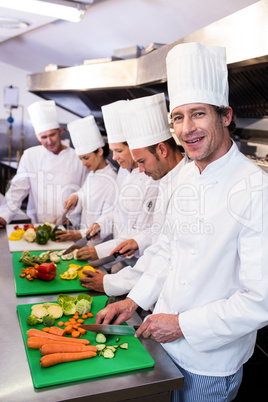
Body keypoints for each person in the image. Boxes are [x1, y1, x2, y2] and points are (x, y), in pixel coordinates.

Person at [95, 42, 268, 402]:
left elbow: (260, 300)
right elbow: (168, 250)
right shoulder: (185, 177)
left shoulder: (256, 188)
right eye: (178, 117)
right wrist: (133, 300)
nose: (187, 128)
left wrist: (182, 325)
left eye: (198, 114)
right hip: (163, 343)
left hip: (209, 360)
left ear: (225, 116)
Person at [80, 92, 186, 294]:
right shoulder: (160, 177)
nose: (141, 170)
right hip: (141, 272)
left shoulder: (185, 182)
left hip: (162, 286)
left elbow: (165, 251)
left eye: (142, 162)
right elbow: (157, 239)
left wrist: (114, 281)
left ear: (162, 150)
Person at [75, 99, 159, 274]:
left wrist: (99, 251)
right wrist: (101, 225)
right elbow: (118, 210)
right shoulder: (124, 171)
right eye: (113, 151)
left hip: (143, 265)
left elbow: (146, 231)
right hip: (121, 259)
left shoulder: (154, 176)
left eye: (119, 151)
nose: (114, 157)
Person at [0, 100, 87, 228]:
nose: (49, 141)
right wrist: (3, 216)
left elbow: (86, 192)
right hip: (38, 227)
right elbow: (17, 191)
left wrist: (70, 217)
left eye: (52, 135)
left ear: (60, 131)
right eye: (43, 137)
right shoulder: (30, 156)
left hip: (69, 228)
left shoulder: (78, 157)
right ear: (37, 136)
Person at [54, 115, 117, 244]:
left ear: (99, 151)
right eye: (80, 159)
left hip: (100, 246)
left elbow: (109, 218)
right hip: (86, 243)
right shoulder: (94, 173)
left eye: (86, 158)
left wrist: (78, 234)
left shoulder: (112, 180)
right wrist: (76, 197)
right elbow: (84, 194)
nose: (83, 163)